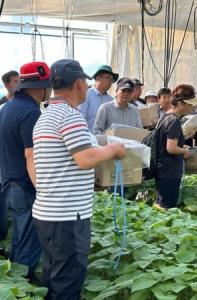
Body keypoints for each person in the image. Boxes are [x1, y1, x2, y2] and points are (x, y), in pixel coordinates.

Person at [32, 59, 126, 300]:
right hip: (67, 216)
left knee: (55, 276)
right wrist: (114, 150)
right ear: (79, 83)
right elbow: (85, 158)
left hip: (49, 213)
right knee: (68, 282)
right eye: (85, 80)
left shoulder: (46, 115)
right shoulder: (69, 116)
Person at [0, 61, 52, 281]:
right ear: (41, 87)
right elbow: (31, 155)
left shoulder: (7, 108)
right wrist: (43, 190)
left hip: (8, 184)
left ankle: (16, 282)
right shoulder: (31, 112)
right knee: (29, 242)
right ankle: (23, 287)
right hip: (25, 185)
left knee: (19, 239)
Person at [155, 84, 197, 209]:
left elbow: (166, 143)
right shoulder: (174, 121)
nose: (191, 108)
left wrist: (181, 145)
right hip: (170, 171)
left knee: (161, 204)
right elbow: (171, 148)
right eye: (189, 104)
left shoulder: (165, 117)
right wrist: (184, 151)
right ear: (180, 103)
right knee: (167, 207)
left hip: (162, 170)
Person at [78, 65, 119, 133]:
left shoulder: (111, 100)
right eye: (108, 78)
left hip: (106, 141)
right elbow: (80, 120)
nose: (110, 82)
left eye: (111, 80)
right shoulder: (86, 95)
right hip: (88, 139)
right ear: (98, 78)